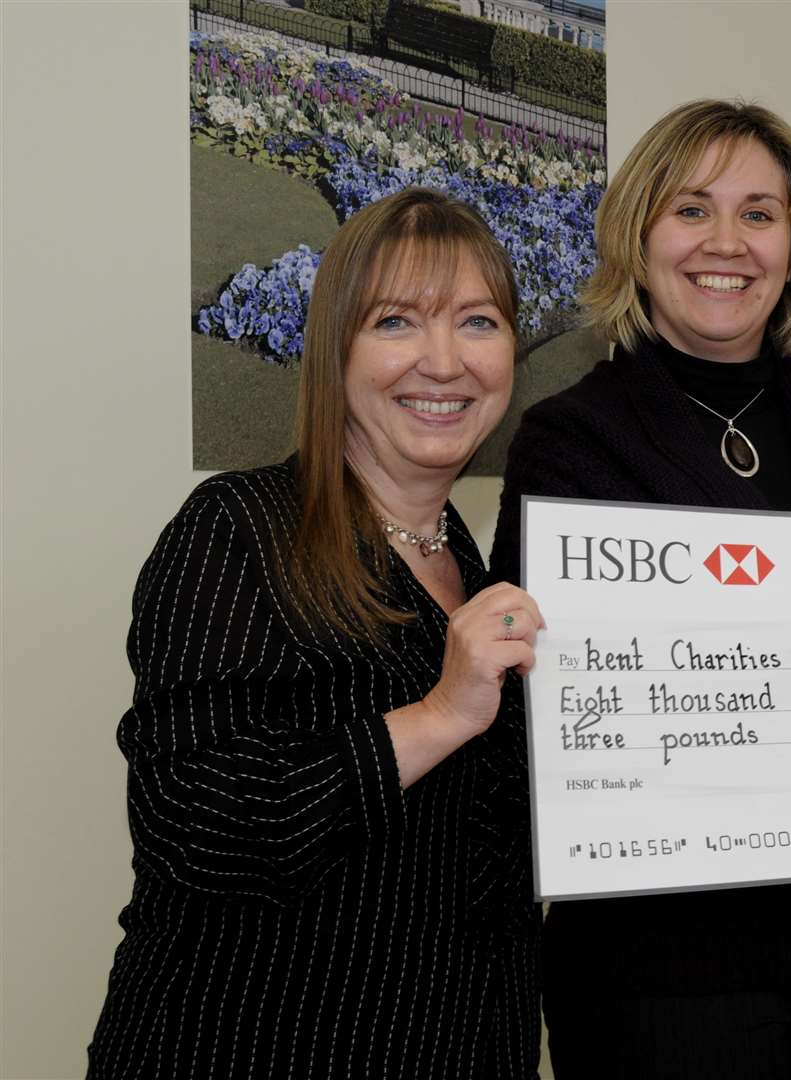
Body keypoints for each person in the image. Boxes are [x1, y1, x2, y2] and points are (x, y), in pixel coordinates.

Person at [489, 99, 791, 1079]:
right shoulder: (570, 441)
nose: (727, 242)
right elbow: (573, 713)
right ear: (639, 235)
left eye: (759, 213)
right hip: (656, 970)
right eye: (692, 209)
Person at [88, 189, 545, 1078]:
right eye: (398, 322)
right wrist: (441, 714)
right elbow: (192, 824)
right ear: (335, 350)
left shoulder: (487, 583)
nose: (444, 361)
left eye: (478, 322)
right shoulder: (238, 529)